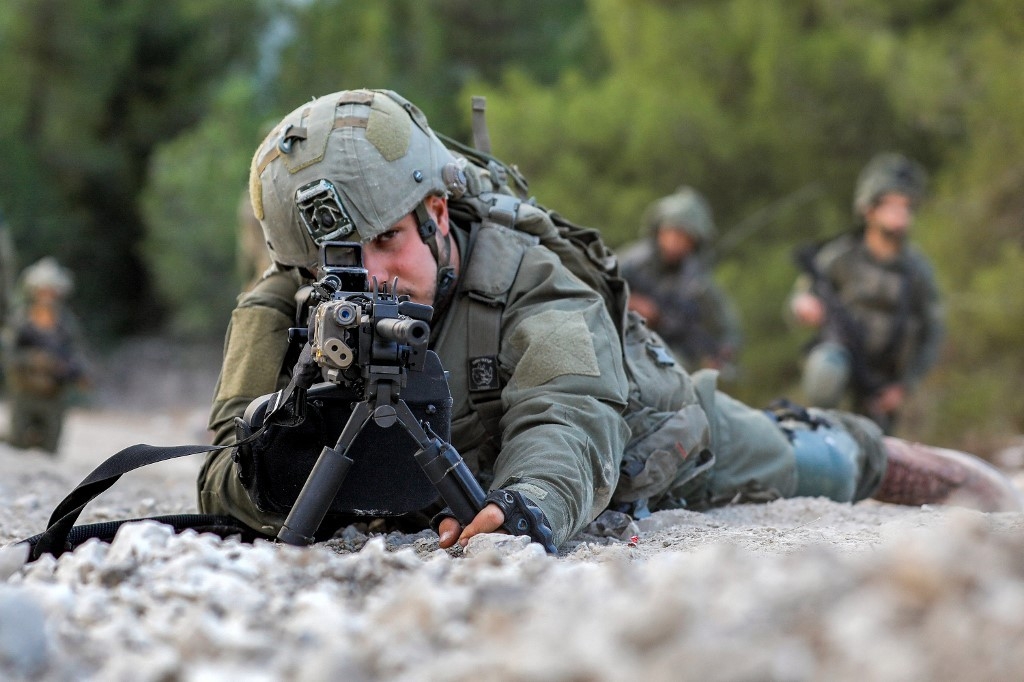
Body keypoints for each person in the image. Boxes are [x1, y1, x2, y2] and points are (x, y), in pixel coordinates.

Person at [198, 90, 1019, 553]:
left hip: (643, 436)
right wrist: (282, 456)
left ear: (437, 215)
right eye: (342, 264)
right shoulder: (282, 306)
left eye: (388, 242)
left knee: (811, 459)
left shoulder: (526, 275)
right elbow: (221, 471)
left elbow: (572, 406)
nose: (374, 280)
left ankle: (941, 476)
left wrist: (528, 506)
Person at [789, 153, 944, 433]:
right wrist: (803, 305)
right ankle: (820, 430)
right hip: (841, 362)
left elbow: (932, 332)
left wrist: (904, 386)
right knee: (827, 370)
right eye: (889, 204)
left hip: (884, 380)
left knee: (877, 454)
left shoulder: (917, 270)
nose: (899, 213)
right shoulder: (840, 256)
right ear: (869, 208)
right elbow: (799, 299)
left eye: (906, 205)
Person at [619, 187, 742, 374]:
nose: (675, 240)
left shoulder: (697, 281)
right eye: (672, 231)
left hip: (669, 352)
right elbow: (595, 284)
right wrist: (629, 302)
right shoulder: (633, 262)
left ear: (695, 241)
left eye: (684, 235)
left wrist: (722, 353)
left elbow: (727, 325)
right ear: (659, 231)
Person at [2, 257, 88, 453]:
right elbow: (9, 355)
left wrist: (74, 372)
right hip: (25, 392)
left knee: (50, 448)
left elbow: (77, 354)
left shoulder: (66, 323)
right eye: (43, 291)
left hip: (53, 395)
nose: (47, 296)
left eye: (52, 291)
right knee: (17, 443)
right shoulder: (21, 320)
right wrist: (33, 359)